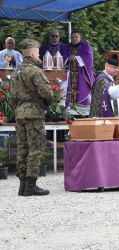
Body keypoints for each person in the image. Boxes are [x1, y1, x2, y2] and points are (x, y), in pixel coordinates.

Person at [9, 39, 54, 196]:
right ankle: (31, 186)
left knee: (23, 149)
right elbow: (48, 93)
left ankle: (22, 186)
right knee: (35, 149)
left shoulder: (15, 73)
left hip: (20, 114)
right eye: (38, 52)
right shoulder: (35, 71)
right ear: (34, 52)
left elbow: (11, 99)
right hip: (34, 114)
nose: (39, 55)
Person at [65, 31, 94, 115]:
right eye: (72, 37)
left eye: (76, 37)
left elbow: (89, 58)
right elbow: (63, 56)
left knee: (81, 87)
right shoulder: (67, 47)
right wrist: (67, 59)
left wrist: (76, 58)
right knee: (68, 87)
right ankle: (70, 105)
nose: (74, 38)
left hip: (81, 72)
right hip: (70, 72)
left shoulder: (85, 46)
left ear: (80, 37)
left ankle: (82, 107)